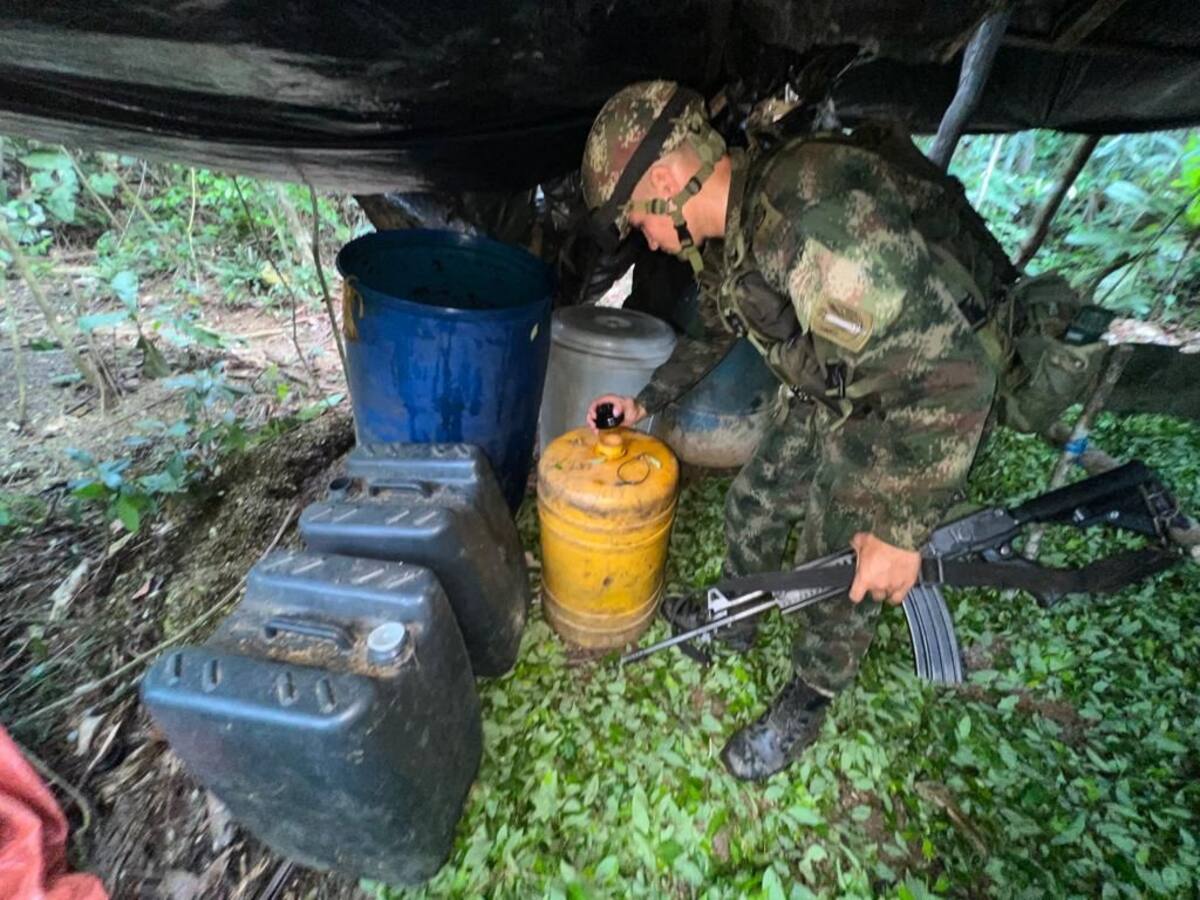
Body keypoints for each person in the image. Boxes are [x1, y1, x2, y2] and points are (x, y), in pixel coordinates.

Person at [581, 80, 1015, 780]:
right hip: (832, 386)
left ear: (665, 179)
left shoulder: (811, 223)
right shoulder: (734, 227)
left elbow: (955, 375)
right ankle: (739, 617)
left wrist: (900, 531)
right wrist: (644, 401)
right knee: (753, 502)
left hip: (902, 402)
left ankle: (808, 699)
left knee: (837, 557)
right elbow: (724, 324)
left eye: (637, 219)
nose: (646, 238)